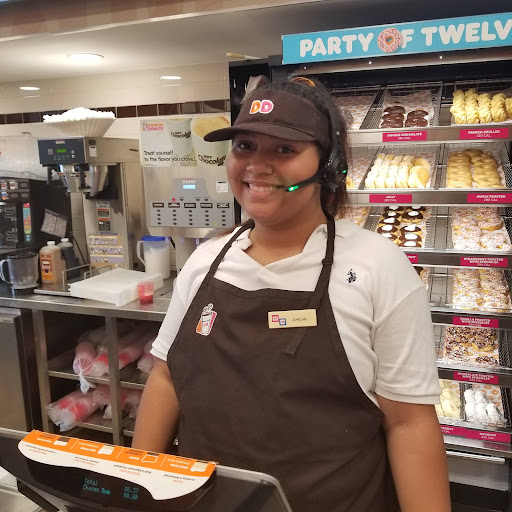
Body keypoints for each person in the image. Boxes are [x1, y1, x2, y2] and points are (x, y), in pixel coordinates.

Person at [133, 78, 450, 512]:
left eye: (284, 149)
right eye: (244, 146)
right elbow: (167, 377)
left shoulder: (378, 267)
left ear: (329, 167)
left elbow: (409, 424)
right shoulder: (206, 260)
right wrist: (139, 488)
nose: (256, 166)